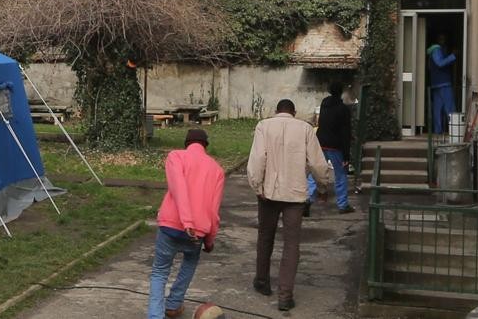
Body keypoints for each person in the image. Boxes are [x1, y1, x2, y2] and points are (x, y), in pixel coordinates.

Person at [247, 99, 332, 311]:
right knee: (291, 244)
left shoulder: (263, 126)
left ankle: (263, 281)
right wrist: (323, 186)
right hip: (295, 194)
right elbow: (317, 162)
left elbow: (257, 159)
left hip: (269, 192)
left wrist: (258, 187)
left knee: (265, 237)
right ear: (293, 112)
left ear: (276, 111)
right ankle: (285, 295)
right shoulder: (305, 129)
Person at [147, 129, 226, 319]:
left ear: (186, 143)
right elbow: (214, 211)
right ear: (205, 146)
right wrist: (209, 240)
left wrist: (186, 220)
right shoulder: (217, 170)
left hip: (170, 225)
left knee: (160, 271)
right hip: (197, 232)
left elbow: (178, 187)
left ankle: (155, 316)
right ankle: (173, 305)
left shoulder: (176, 157)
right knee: (189, 262)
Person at [315, 82, 354, 214]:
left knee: (314, 172)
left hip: (320, 142)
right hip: (336, 146)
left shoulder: (324, 105)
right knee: (340, 175)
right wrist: (346, 155)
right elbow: (345, 133)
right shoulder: (343, 109)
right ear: (341, 92)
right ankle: (342, 205)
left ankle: (307, 200)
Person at [428, 34, 457, 135]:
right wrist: (453, 56)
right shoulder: (436, 50)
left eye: (444, 39)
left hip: (436, 84)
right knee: (450, 108)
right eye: (441, 39)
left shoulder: (435, 50)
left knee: (438, 109)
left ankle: (438, 131)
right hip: (443, 83)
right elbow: (440, 63)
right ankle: (455, 131)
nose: (443, 41)